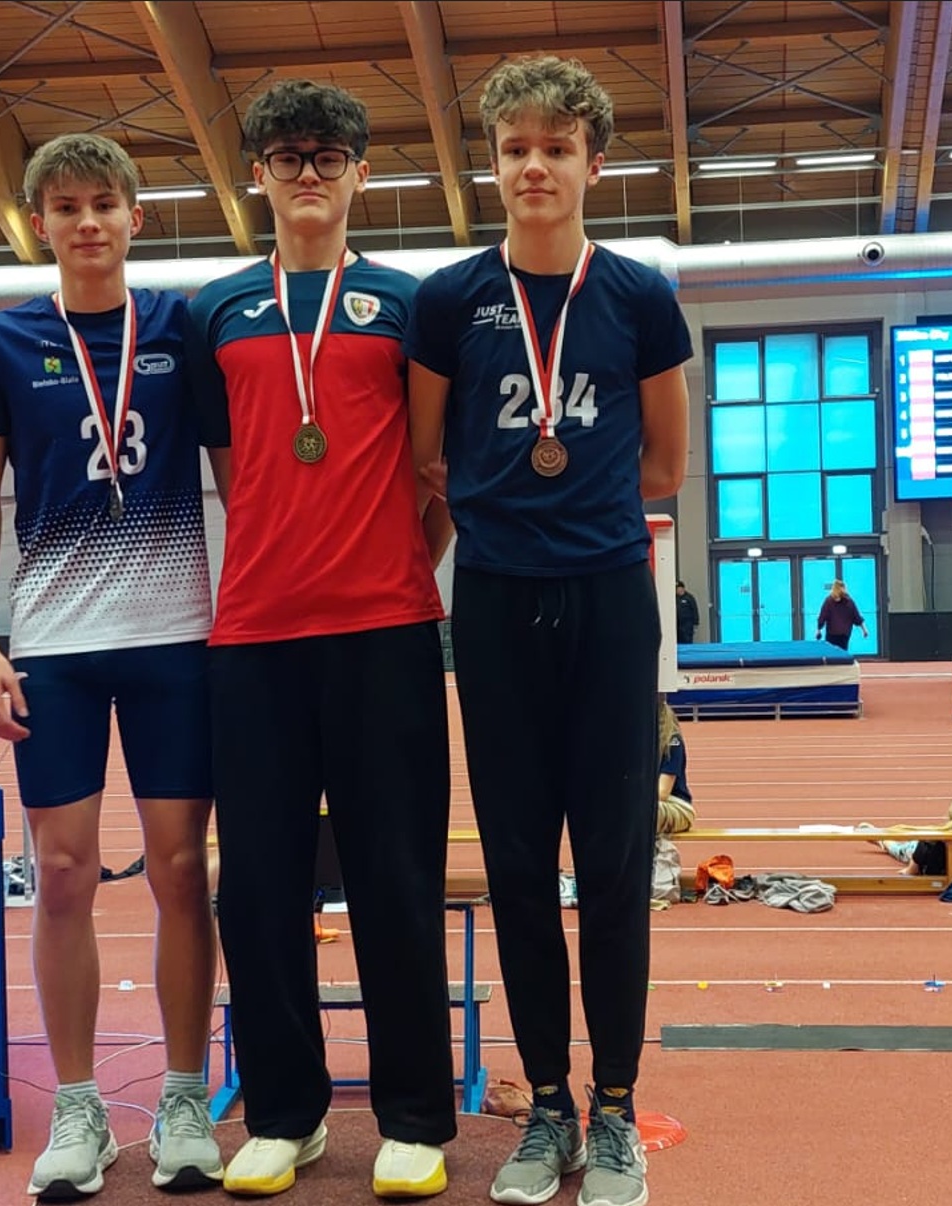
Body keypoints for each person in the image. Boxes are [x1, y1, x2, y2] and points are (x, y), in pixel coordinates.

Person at [407, 56, 691, 1206]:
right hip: (496, 603)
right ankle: (549, 1112)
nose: (534, 165)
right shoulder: (447, 302)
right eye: (515, 147)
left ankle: (616, 1108)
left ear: (592, 164)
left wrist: (581, 511)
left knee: (614, 864)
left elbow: (666, 461)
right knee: (520, 866)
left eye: (556, 147)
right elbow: (427, 458)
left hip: (613, 601)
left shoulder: (638, 295)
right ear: (491, 162)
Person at [186, 79, 456, 1200]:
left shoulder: (408, 306)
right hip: (252, 635)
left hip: (386, 628)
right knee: (257, 884)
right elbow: (227, 468)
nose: (308, 171)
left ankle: (412, 1120)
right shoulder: (216, 311)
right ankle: (285, 1115)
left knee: (395, 876)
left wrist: (394, 559)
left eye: (329, 154)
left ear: (360, 173)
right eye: (288, 154)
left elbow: (432, 478)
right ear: (256, 172)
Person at [0, 132, 221, 1198]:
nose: (88, 223)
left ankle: (187, 1098)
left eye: (104, 202)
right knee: (61, 875)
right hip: (55, 645)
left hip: (176, 638)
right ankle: (77, 1110)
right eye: (64, 207)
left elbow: (238, 477)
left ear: (137, 216)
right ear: (39, 225)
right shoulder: (2, 339)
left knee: (179, 872)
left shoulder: (180, 328)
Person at [655, 697, 694, 837]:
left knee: (634, 815)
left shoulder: (672, 742)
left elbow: (662, 793)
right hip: (651, 805)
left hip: (677, 806)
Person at [815, 580, 867, 651]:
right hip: (844, 634)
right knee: (843, 654)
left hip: (831, 634)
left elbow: (822, 617)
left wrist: (818, 629)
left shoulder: (828, 601)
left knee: (831, 655)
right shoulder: (849, 601)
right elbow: (857, 617)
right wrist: (864, 630)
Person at [674, 581, 698, 645]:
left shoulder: (689, 598)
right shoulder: (675, 598)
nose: (677, 590)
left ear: (682, 588)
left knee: (687, 641)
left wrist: (695, 623)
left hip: (687, 625)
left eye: (678, 588)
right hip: (678, 625)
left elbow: (695, 610)